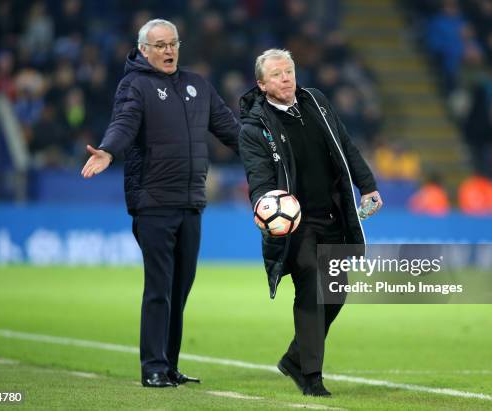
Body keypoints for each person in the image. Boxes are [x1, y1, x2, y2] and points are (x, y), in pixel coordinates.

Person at [81, 19, 240, 388]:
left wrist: (270, 146)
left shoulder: (197, 85)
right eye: (160, 45)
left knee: (179, 289)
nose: (169, 51)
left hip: (191, 203)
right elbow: (123, 124)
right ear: (143, 50)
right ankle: (152, 366)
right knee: (159, 287)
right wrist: (107, 150)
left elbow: (231, 130)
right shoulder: (134, 85)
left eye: (173, 44)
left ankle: (169, 365)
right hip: (153, 202)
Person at [239, 49, 382, 396]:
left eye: (288, 71)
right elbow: (259, 178)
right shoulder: (254, 127)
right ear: (262, 84)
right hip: (296, 225)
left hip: (331, 215)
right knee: (312, 287)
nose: (285, 78)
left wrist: (368, 186)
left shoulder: (316, 101)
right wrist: (263, 205)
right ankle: (311, 377)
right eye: (276, 74)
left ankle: (294, 359)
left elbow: (345, 144)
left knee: (336, 294)